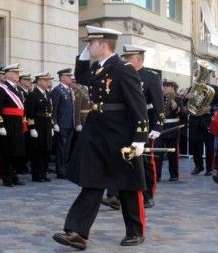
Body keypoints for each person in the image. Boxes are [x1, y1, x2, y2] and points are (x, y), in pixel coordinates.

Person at [53, 26, 149, 250]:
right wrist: (82, 56)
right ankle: (77, 232)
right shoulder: (99, 68)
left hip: (120, 134)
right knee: (92, 181)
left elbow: (138, 105)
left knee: (127, 185)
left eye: (91, 44)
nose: (88, 46)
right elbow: (82, 76)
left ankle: (135, 231)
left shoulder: (123, 68)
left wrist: (140, 138)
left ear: (103, 45)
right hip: (97, 133)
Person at [121, 45, 165, 208]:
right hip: (126, 125)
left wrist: (157, 127)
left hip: (145, 125)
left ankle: (148, 195)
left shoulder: (150, 78)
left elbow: (158, 105)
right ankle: (118, 194)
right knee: (124, 157)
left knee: (145, 162)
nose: (125, 60)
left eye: (128, 58)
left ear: (138, 59)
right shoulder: (123, 75)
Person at [0, 63, 26, 187]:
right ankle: (6, 177)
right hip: (7, 124)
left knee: (16, 151)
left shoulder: (17, 89)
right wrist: (0, 125)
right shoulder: (2, 89)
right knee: (7, 152)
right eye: (15, 73)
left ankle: (14, 175)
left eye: (18, 73)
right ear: (7, 75)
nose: (18, 75)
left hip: (17, 123)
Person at [187, 68, 218, 176]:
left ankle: (209, 168)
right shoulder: (192, 88)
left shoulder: (214, 88)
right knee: (195, 144)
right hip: (195, 121)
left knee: (209, 145)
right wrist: (187, 97)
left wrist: (211, 108)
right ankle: (198, 166)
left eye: (202, 74)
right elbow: (187, 105)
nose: (199, 77)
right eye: (198, 75)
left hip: (207, 120)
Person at [25, 72, 54, 182]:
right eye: (45, 80)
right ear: (39, 81)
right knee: (37, 151)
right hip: (38, 126)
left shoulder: (47, 93)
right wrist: (32, 128)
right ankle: (36, 175)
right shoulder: (33, 94)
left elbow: (50, 112)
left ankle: (44, 173)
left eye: (48, 80)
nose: (48, 82)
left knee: (45, 151)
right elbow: (30, 113)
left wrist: (51, 126)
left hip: (46, 125)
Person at [156, 80, 183, 182]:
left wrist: (176, 108)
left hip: (172, 128)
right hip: (160, 127)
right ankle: (157, 175)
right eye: (164, 86)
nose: (165, 88)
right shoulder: (159, 97)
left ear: (172, 87)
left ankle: (174, 175)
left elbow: (182, 113)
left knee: (173, 154)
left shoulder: (177, 98)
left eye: (167, 86)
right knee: (158, 153)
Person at [51, 68, 75, 179]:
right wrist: (55, 122)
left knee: (67, 148)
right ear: (61, 77)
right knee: (61, 148)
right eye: (68, 76)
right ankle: (60, 170)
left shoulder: (68, 90)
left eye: (70, 76)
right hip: (61, 124)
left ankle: (65, 168)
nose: (70, 78)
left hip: (70, 123)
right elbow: (54, 108)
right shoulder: (57, 90)